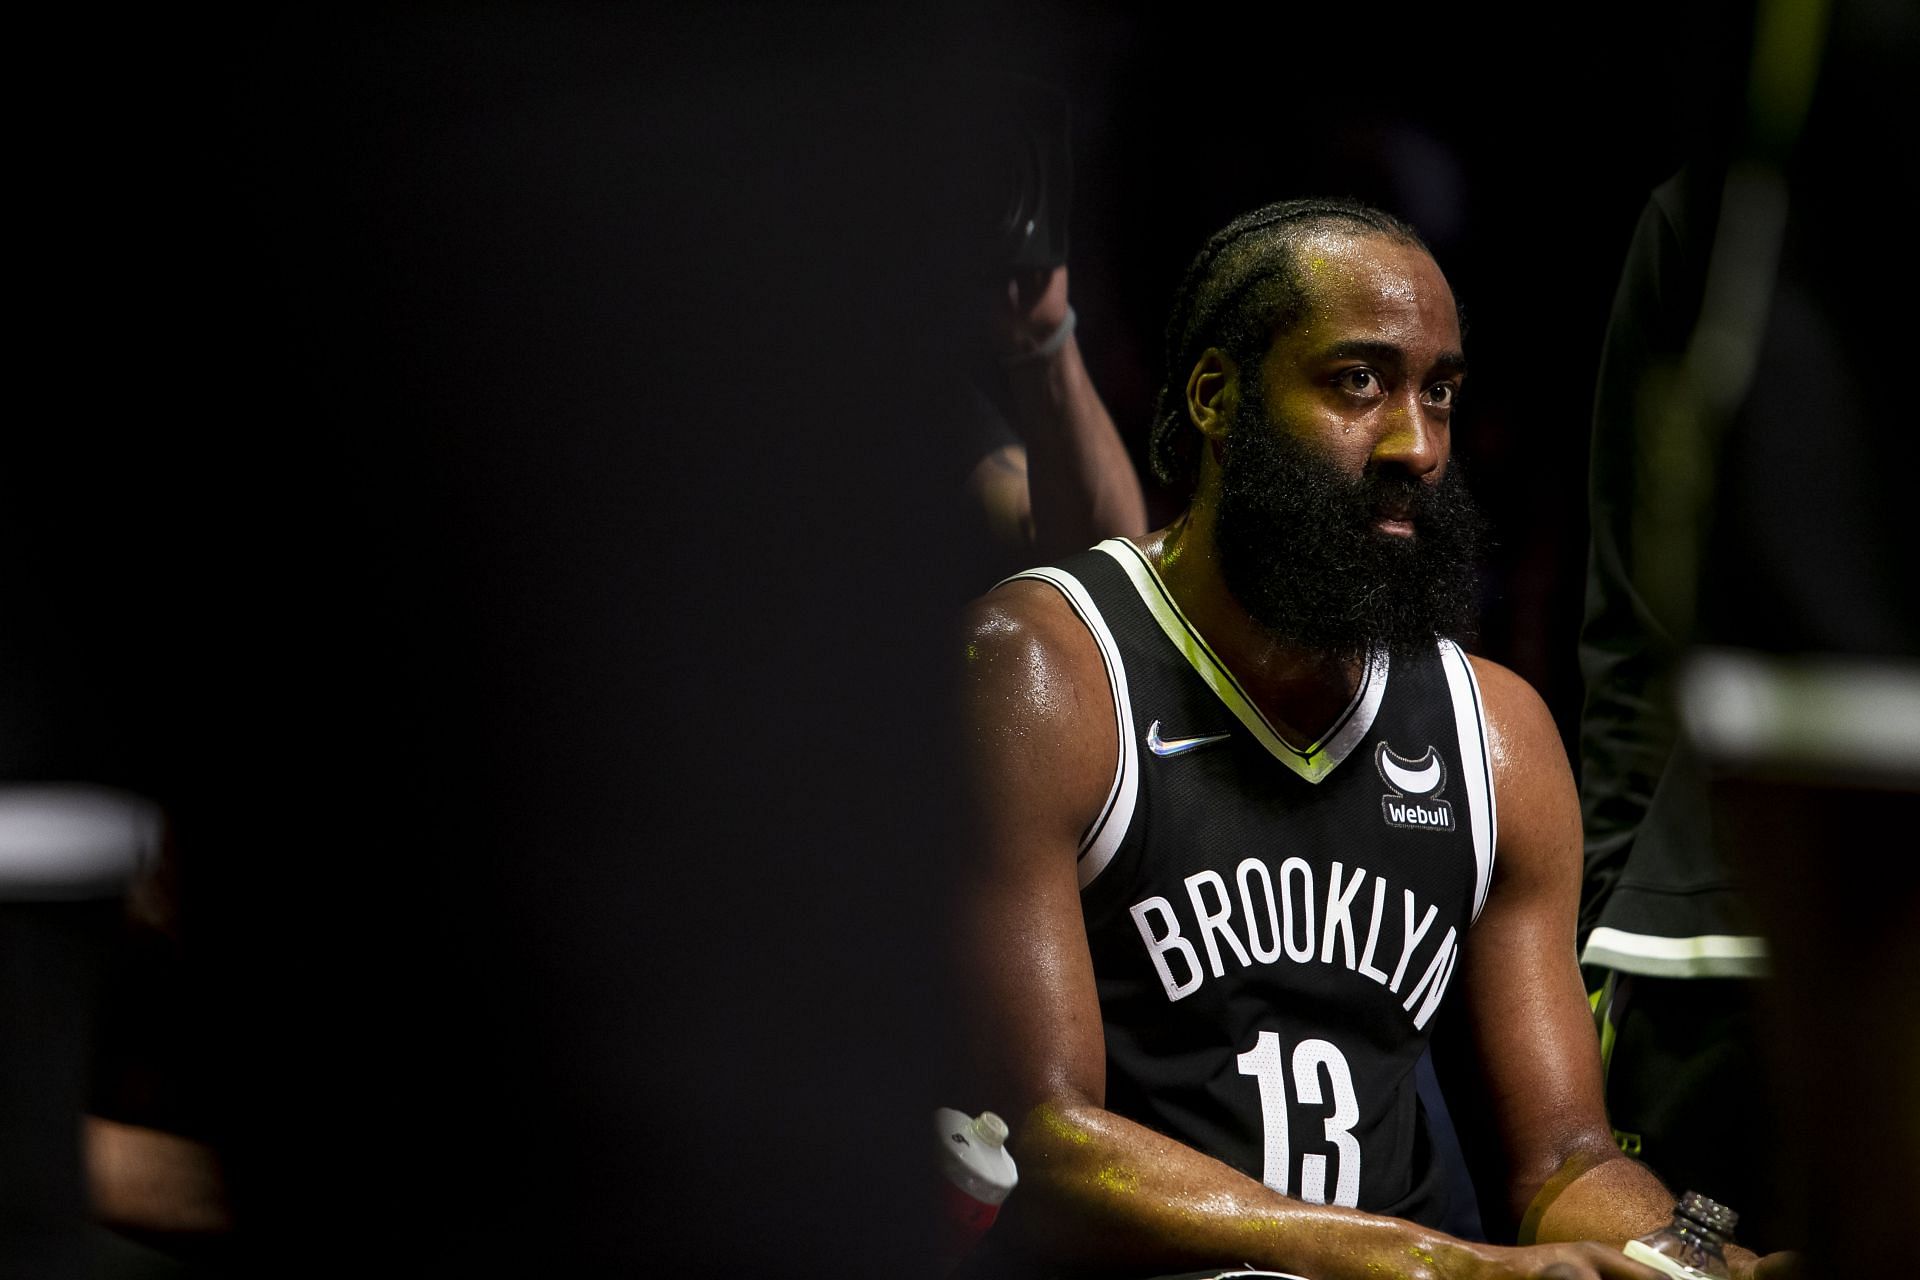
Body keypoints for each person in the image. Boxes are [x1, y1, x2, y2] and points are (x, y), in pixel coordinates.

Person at [954, 198, 1788, 1280]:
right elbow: (1036, 1138)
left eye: (1438, 391)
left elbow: (1565, 1161)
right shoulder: (1045, 671)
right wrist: (1440, 1263)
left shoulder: (1496, 733)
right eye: (1359, 382)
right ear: (1216, 395)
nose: (1419, 444)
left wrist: (1687, 1260)